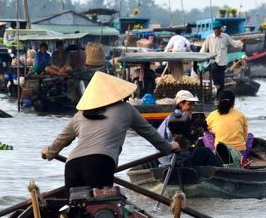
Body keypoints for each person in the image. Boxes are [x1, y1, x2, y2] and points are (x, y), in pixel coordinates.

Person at [41, 71, 179, 191]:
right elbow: (150, 134)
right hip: (100, 163)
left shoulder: (80, 114)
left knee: (75, 212)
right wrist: (169, 147)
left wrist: (49, 152)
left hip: (72, 165)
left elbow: (61, 140)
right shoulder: (127, 109)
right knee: (103, 211)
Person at [157, 89, 222, 167]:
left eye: (193, 104)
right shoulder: (176, 119)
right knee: (206, 151)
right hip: (172, 159)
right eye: (189, 104)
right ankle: (223, 173)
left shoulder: (182, 117)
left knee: (201, 143)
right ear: (181, 104)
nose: (192, 107)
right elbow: (177, 141)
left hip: (172, 156)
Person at [200, 19, 245, 95]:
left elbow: (234, 44)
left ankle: (219, 96)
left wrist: (241, 41)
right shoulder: (209, 38)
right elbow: (203, 50)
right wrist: (199, 59)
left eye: (219, 28)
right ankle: (215, 87)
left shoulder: (225, 36)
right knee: (214, 75)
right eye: (217, 28)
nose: (218, 30)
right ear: (214, 29)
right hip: (213, 61)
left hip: (222, 62)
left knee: (221, 81)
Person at [205, 90, 249, 154]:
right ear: (233, 102)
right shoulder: (241, 115)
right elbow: (245, 135)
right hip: (239, 149)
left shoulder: (212, 115)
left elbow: (205, 128)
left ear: (218, 101)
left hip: (220, 150)